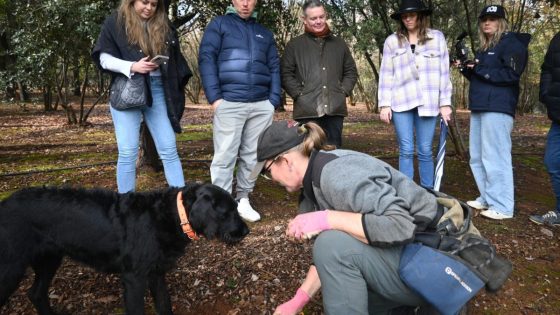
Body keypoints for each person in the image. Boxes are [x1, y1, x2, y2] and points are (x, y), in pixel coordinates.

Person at [250, 121, 439, 314]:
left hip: (437, 267)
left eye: (267, 171)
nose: (271, 179)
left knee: (330, 243)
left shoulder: (336, 174)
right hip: (417, 259)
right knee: (333, 246)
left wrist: (327, 219)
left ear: (287, 161)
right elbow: (331, 256)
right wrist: (297, 301)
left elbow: (401, 226)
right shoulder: (313, 183)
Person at [92, 0, 191, 193]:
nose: (149, 8)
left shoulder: (164, 25)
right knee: (127, 152)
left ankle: (180, 204)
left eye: (154, 4)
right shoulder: (115, 22)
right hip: (127, 90)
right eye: (144, 2)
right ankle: (125, 206)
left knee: (169, 149)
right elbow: (103, 59)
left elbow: (176, 61)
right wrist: (132, 66)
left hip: (158, 90)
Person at [198, 0, 281, 222]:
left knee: (255, 155)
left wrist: (272, 100)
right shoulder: (219, 25)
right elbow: (207, 58)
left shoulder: (264, 32)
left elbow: (274, 66)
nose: (245, 3)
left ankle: (243, 198)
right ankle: (221, 205)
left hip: (261, 104)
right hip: (229, 102)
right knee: (225, 155)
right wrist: (215, 98)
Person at [459, 5, 530, 220]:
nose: (487, 23)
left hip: (498, 107)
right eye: (484, 19)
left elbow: (511, 75)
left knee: (496, 156)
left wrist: (479, 69)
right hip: (480, 105)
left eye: (492, 19)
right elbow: (482, 77)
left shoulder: (512, 43)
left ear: (502, 22)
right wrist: (466, 68)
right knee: (478, 156)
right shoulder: (486, 47)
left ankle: (503, 206)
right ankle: (488, 197)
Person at [378, 0, 453, 189]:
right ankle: (407, 192)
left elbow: (444, 72)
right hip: (401, 101)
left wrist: (445, 103)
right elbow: (386, 74)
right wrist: (384, 104)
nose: (408, 18)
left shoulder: (437, 38)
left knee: (425, 150)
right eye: (404, 16)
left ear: (420, 16)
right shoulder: (392, 41)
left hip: (428, 101)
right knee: (406, 149)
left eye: (411, 15)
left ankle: (428, 192)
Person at [281, 0, 357, 147]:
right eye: (313, 18)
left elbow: (351, 71)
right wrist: (299, 94)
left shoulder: (339, 44)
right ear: (304, 19)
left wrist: (342, 91)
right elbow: (285, 74)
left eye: (321, 17)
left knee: (333, 155)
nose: (318, 21)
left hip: (335, 111)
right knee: (308, 157)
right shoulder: (294, 46)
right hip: (306, 112)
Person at [529, 31, 560, 226]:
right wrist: (546, 94)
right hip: (558, 117)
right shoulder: (557, 39)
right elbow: (547, 68)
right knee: (552, 161)